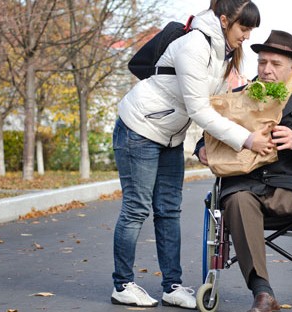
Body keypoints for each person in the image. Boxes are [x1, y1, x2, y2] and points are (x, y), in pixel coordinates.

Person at [110, 0, 272, 309]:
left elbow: (220, 104)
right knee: (136, 208)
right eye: (244, 28)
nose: (247, 36)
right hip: (139, 127)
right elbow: (199, 109)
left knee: (169, 210)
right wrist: (246, 140)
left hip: (170, 135)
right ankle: (123, 284)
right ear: (224, 20)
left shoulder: (223, 53)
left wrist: (202, 145)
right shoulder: (194, 46)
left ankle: (171, 285)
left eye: (251, 30)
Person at [195, 30, 292, 312]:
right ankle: (263, 293)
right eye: (262, 62)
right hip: (242, 185)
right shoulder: (237, 98)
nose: (267, 70)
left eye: (275, 64)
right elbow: (210, 133)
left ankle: (264, 294)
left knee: (249, 198)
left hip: (289, 189)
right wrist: (201, 148)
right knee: (237, 200)